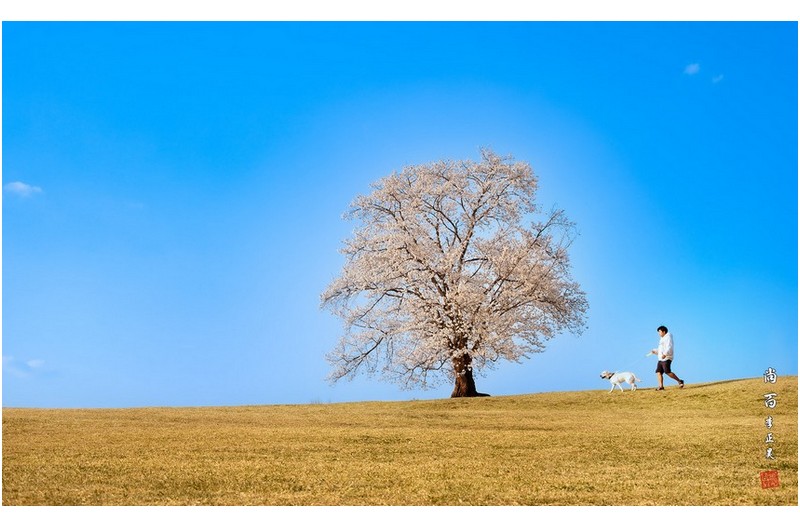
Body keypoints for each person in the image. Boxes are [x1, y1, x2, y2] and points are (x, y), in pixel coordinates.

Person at [651, 325, 684, 390]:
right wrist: (655, 351)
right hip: (661, 359)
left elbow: (669, 347)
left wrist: (665, 354)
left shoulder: (668, 337)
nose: (658, 333)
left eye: (659, 331)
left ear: (664, 331)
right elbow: (661, 350)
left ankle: (680, 381)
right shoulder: (661, 339)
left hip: (667, 358)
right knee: (658, 372)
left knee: (667, 372)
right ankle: (661, 386)